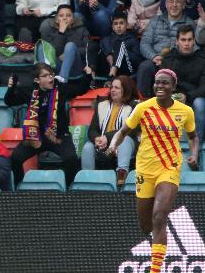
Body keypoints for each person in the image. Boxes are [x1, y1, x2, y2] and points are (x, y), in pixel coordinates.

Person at [108, 68, 199, 273]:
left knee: (159, 215)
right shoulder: (143, 108)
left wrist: (194, 154)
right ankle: (161, 245)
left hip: (170, 167)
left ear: (173, 87)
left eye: (164, 83)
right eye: (157, 82)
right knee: (146, 224)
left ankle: (155, 270)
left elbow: (193, 137)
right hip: (145, 169)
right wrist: (114, 145)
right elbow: (123, 132)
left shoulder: (185, 111)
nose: (159, 86)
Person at [5, 63, 83, 184]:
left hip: (59, 136)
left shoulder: (60, 88)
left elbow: (80, 89)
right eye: (45, 76)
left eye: (51, 75)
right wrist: (11, 88)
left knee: (71, 159)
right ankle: (18, 189)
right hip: (36, 136)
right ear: (37, 80)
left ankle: (68, 189)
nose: (50, 78)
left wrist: (88, 75)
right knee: (15, 158)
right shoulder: (31, 91)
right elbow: (10, 101)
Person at [137, 0, 199, 97]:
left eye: (178, 2)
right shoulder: (155, 21)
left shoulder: (190, 23)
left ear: (183, 5)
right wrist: (154, 56)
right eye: (171, 2)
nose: (174, 5)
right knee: (145, 66)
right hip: (156, 61)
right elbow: (144, 43)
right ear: (165, 4)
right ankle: (145, 102)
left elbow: (194, 47)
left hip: (178, 63)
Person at [81, 76, 138, 185]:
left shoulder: (134, 106)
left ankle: (121, 176)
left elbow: (130, 130)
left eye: (117, 88)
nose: (112, 90)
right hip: (104, 145)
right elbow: (92, 129)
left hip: (123, 144)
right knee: (88, 147)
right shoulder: (102, 104)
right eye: (112, 87)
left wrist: (106, 137)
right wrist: (97, 139)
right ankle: (87, 180)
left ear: (126, 90)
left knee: (125, 140)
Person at [161, 25, 205, 146]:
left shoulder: (202, 60)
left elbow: (204, 87)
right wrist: (175, 96)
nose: (186, 43)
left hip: (194, 98)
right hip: (173, 98)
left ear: (194, 41)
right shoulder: (168, 59)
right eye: (183, 40)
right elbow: (161, 84)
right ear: (177, 41)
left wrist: (187, 96)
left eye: (189, 40)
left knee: (200, 103)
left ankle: (197, 145)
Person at [38, 4, 93, 83]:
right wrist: (61, 32)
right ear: (57, 20)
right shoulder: (52, 32)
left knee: (70, 46)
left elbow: (88, 49)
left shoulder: (82, 30)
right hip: (57, 66)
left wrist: (69, 53)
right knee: (41, 46)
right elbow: (53, 52)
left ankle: (62, 81)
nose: (64, 18)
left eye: (68, 15)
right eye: (61, 16)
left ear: (73, 19)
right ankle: (45, 80)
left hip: (75, 67)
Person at [101, 11, 143, 78]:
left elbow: (137, 60)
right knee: (92, 45)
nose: (118, 26)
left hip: (129, 69)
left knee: (120, 44)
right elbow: (103, 44)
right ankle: (91, 74)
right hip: (110, 66)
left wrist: (124, 51)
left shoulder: (132, 39)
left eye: (121, 23)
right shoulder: (108, 39)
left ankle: (112, 74)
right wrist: (110, 54)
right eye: (115, 24)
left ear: (127, 25)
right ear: (112, 27)